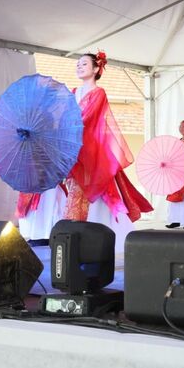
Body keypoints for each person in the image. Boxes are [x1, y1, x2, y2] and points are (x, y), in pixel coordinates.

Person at [64, 51, 153, 252]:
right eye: (78, 64)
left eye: (84, 64)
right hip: (75, 149)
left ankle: (83, 235)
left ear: (96, 69)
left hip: (92, 149)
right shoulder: (73, 91)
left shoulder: (98, 93)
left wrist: (67, 125)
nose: (79, 66)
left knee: (93, 191)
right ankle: (85, 237)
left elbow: (87, 118)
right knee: (78, 191)